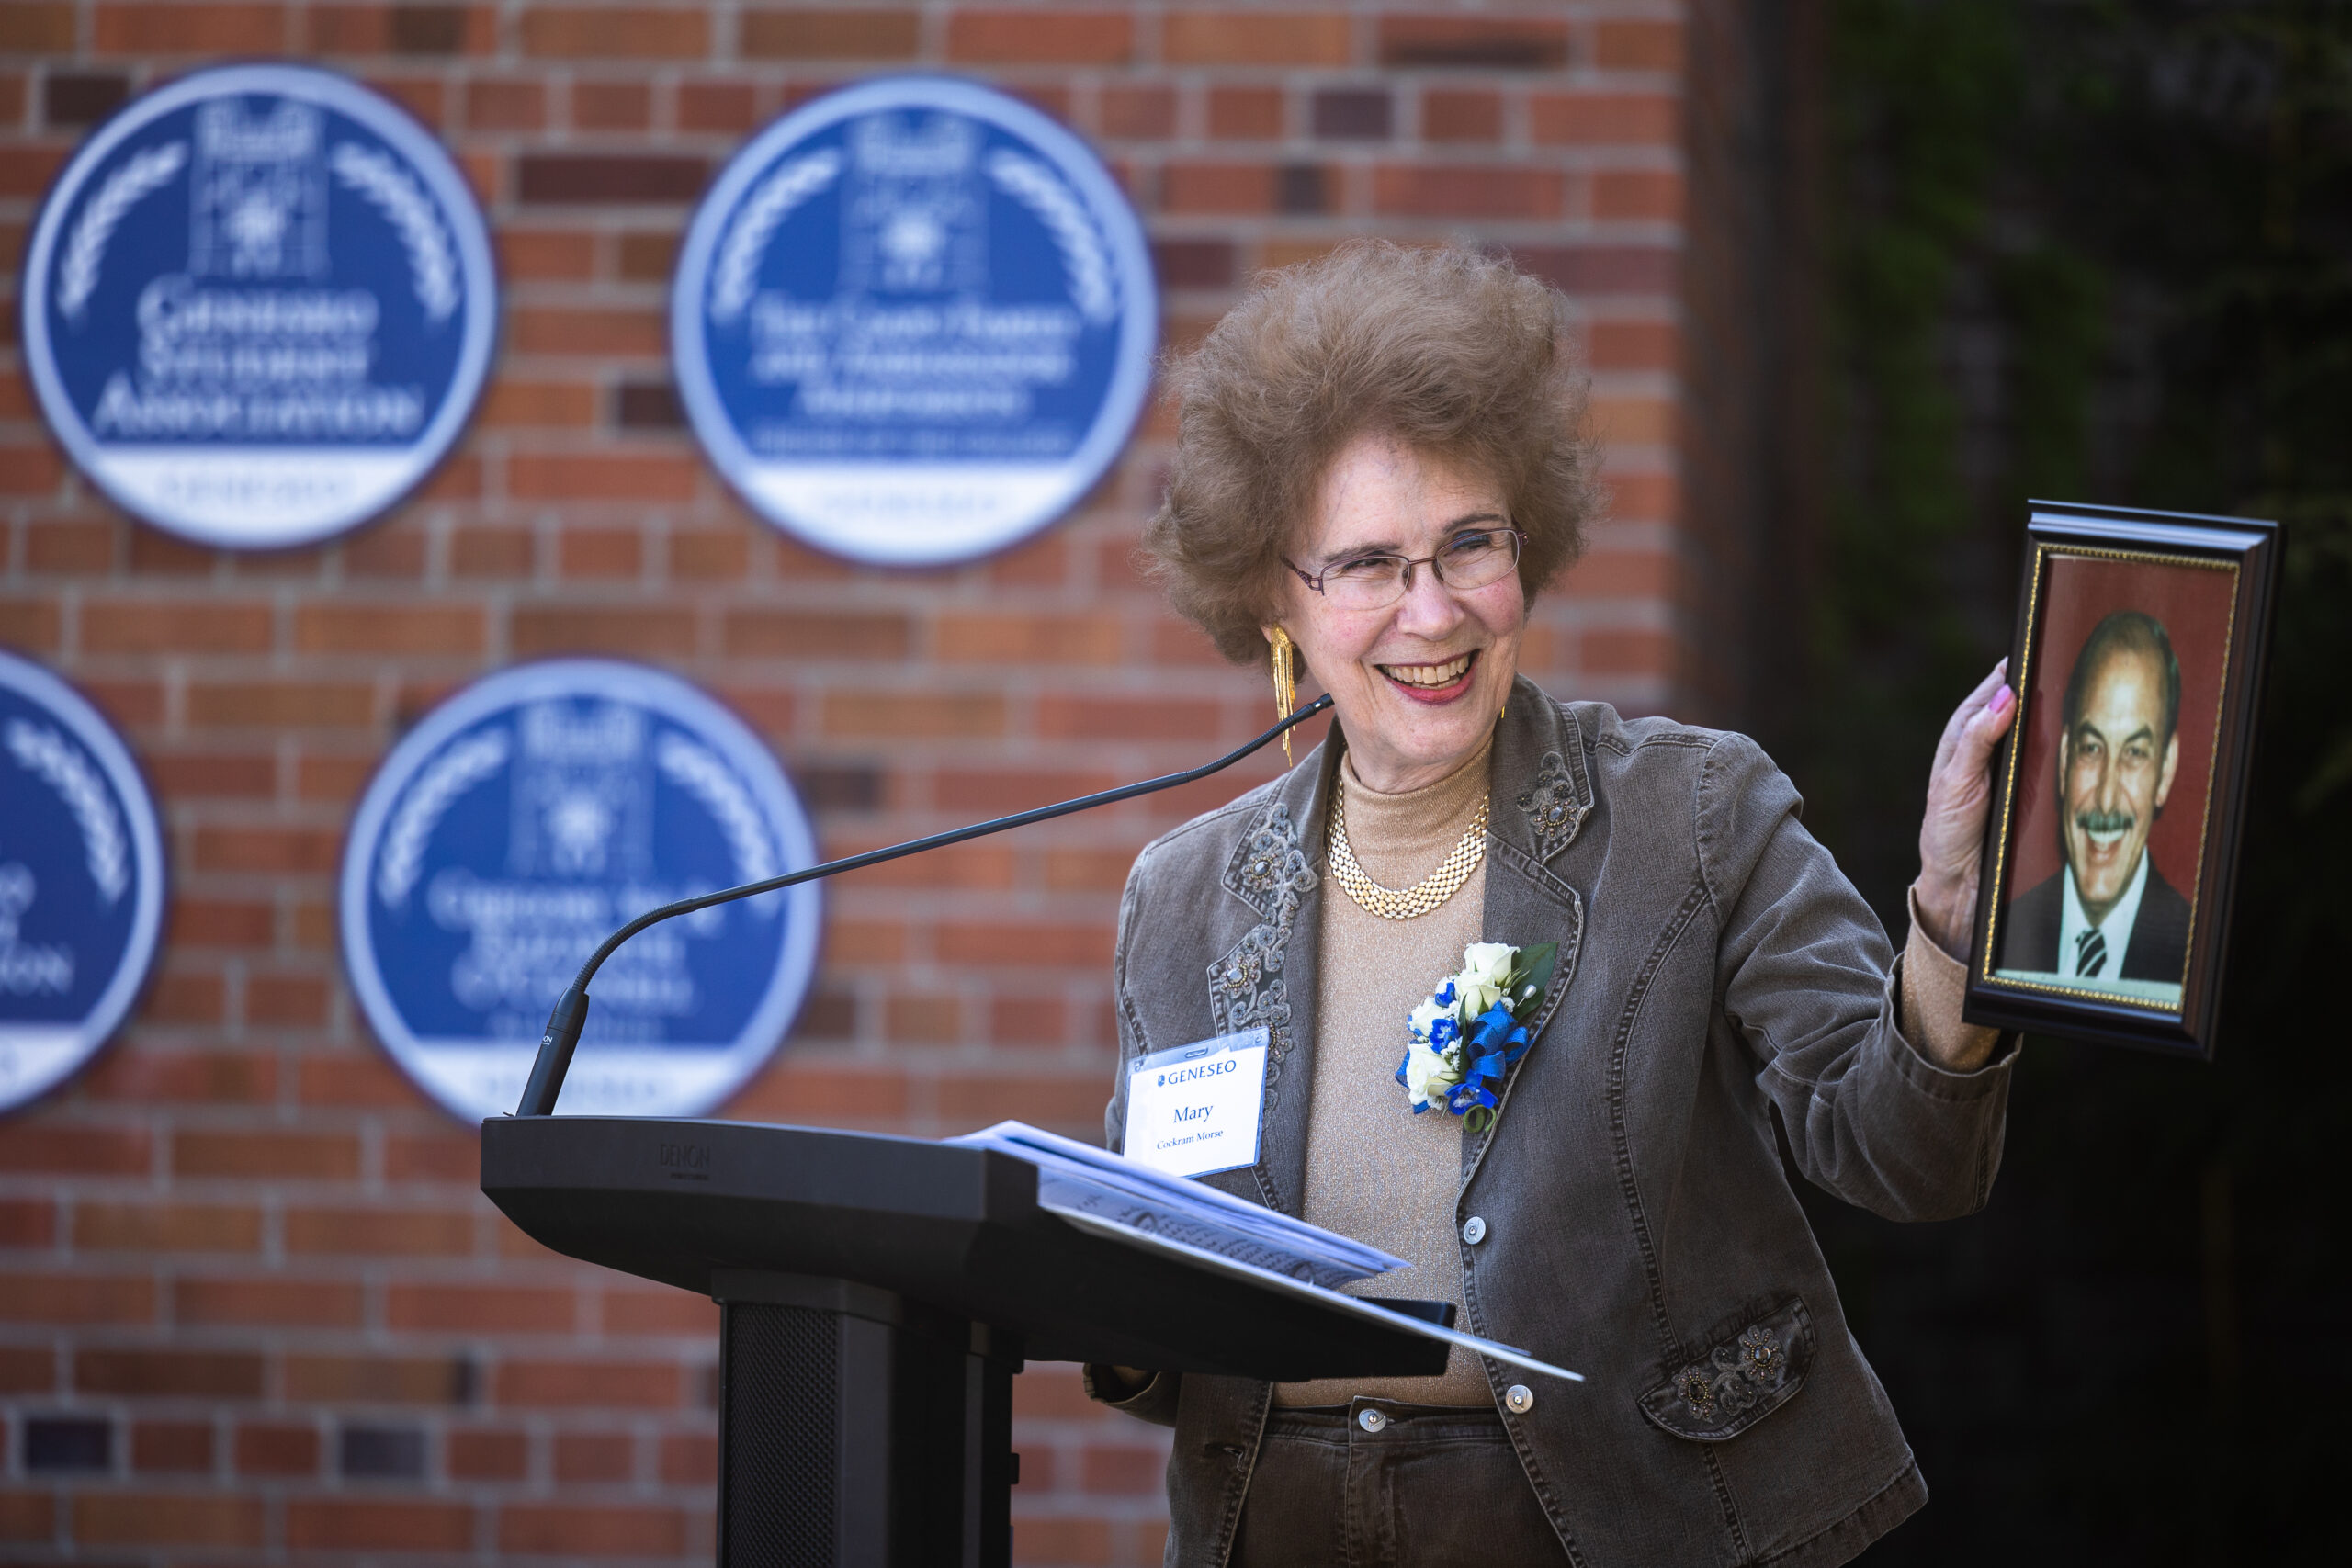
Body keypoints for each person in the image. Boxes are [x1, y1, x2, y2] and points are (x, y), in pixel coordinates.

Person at [1084, 243, 2023, 1568]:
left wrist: (1943, 913)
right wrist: (1093, 1296)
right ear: (1271, 597)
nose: (1434, 609)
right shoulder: (1181, 896)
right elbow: (1155, 1323)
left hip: (1617, 1522)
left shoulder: (1688, 814)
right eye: (1367, 563)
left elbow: (1903, 1153)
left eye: (1471, 541)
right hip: (1275, 1523)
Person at [1998, 610, 2192, 988]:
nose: (2105, 800)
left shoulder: (2195, 959)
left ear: (2166, 770)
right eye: (2092, 747)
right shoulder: (1999, 939)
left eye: (2134, 753)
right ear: (2066, 757)